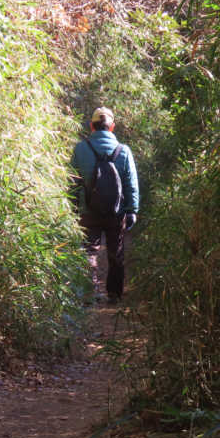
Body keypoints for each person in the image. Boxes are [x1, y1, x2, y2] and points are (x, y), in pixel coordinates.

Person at [70, 107, 139, 303]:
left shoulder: (80, 149)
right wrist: (132, 210)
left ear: (91, 126)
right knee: (115, 252)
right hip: (116, 213)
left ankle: (89, 295)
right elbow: (131, 184)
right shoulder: (123, 151)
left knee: (89, 251)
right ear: (112, 127)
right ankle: (114, 295)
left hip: (87, 211)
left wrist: (73, 208)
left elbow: (72, 182)